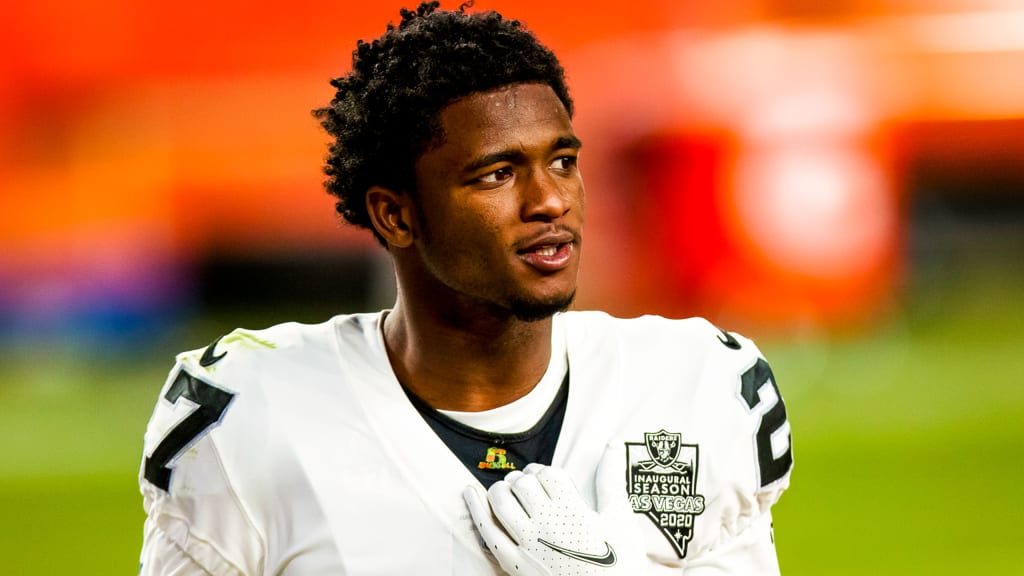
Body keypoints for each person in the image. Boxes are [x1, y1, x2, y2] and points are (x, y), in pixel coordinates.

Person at [137, 2, 793, 574]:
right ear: (396, 214)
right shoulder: (248, 417)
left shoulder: (697, 385)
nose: (549, 201)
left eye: (562, 162)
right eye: (497, 174)